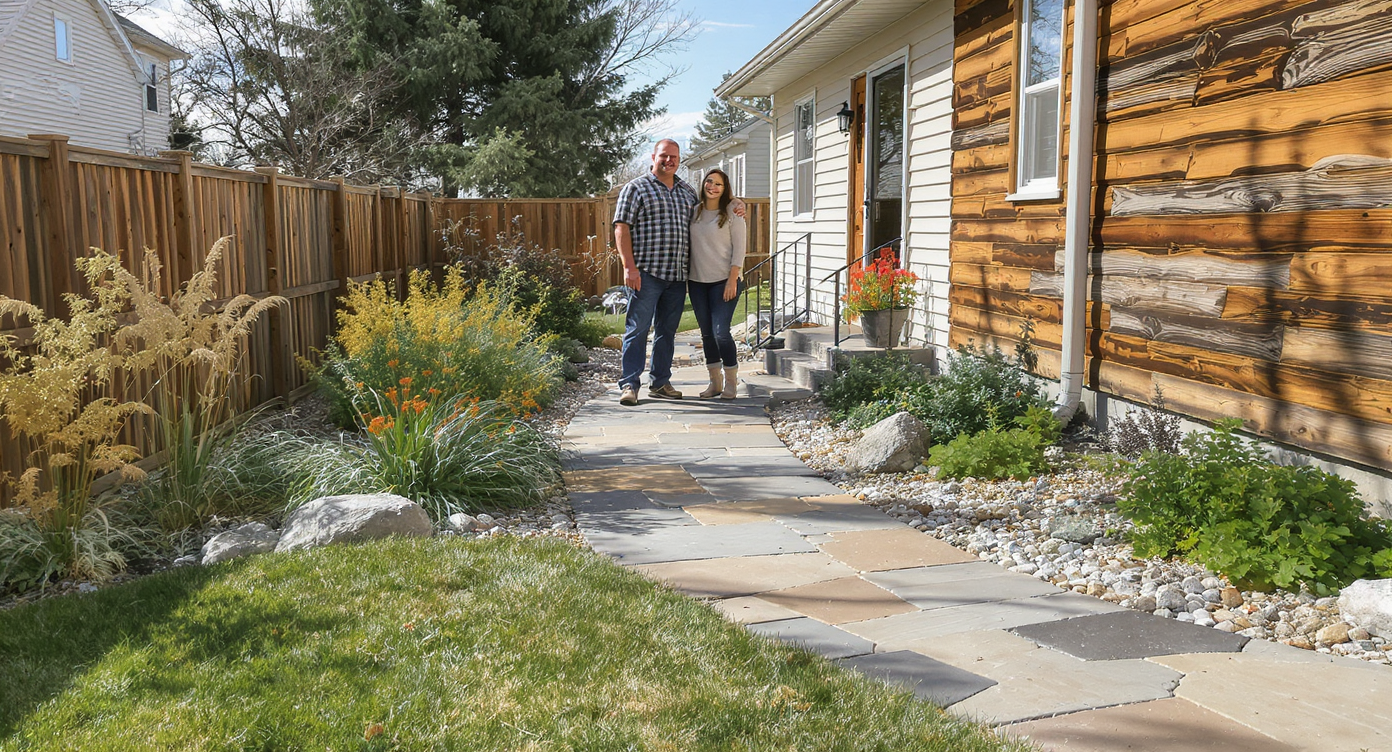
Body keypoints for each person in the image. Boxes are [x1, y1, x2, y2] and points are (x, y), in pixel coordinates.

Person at [611, 139, 744, 406]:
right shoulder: (635, 188)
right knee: (637, 329)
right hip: (645, 273)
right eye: (664, 156)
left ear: (678, 159)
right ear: (653, 157)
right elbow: (621, 228)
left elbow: (713, 205)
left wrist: (737, 202)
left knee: (666, 331)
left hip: (676, 276)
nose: (669, 161)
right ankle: (630, 384)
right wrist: (629, 267)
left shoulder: (687, 193)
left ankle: (660, 382)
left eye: (674, 157)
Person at [688, 169, 746, 399]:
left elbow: (740, 250)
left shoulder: (733, 212)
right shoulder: (694, 212)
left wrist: (733, 279)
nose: (712, 186)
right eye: (709, 181)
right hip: (697, 281)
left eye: (719, 184)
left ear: (725, 189)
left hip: (724, 281)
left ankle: (731, 382)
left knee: (721, 332)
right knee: (707, 334)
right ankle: (715, 383)